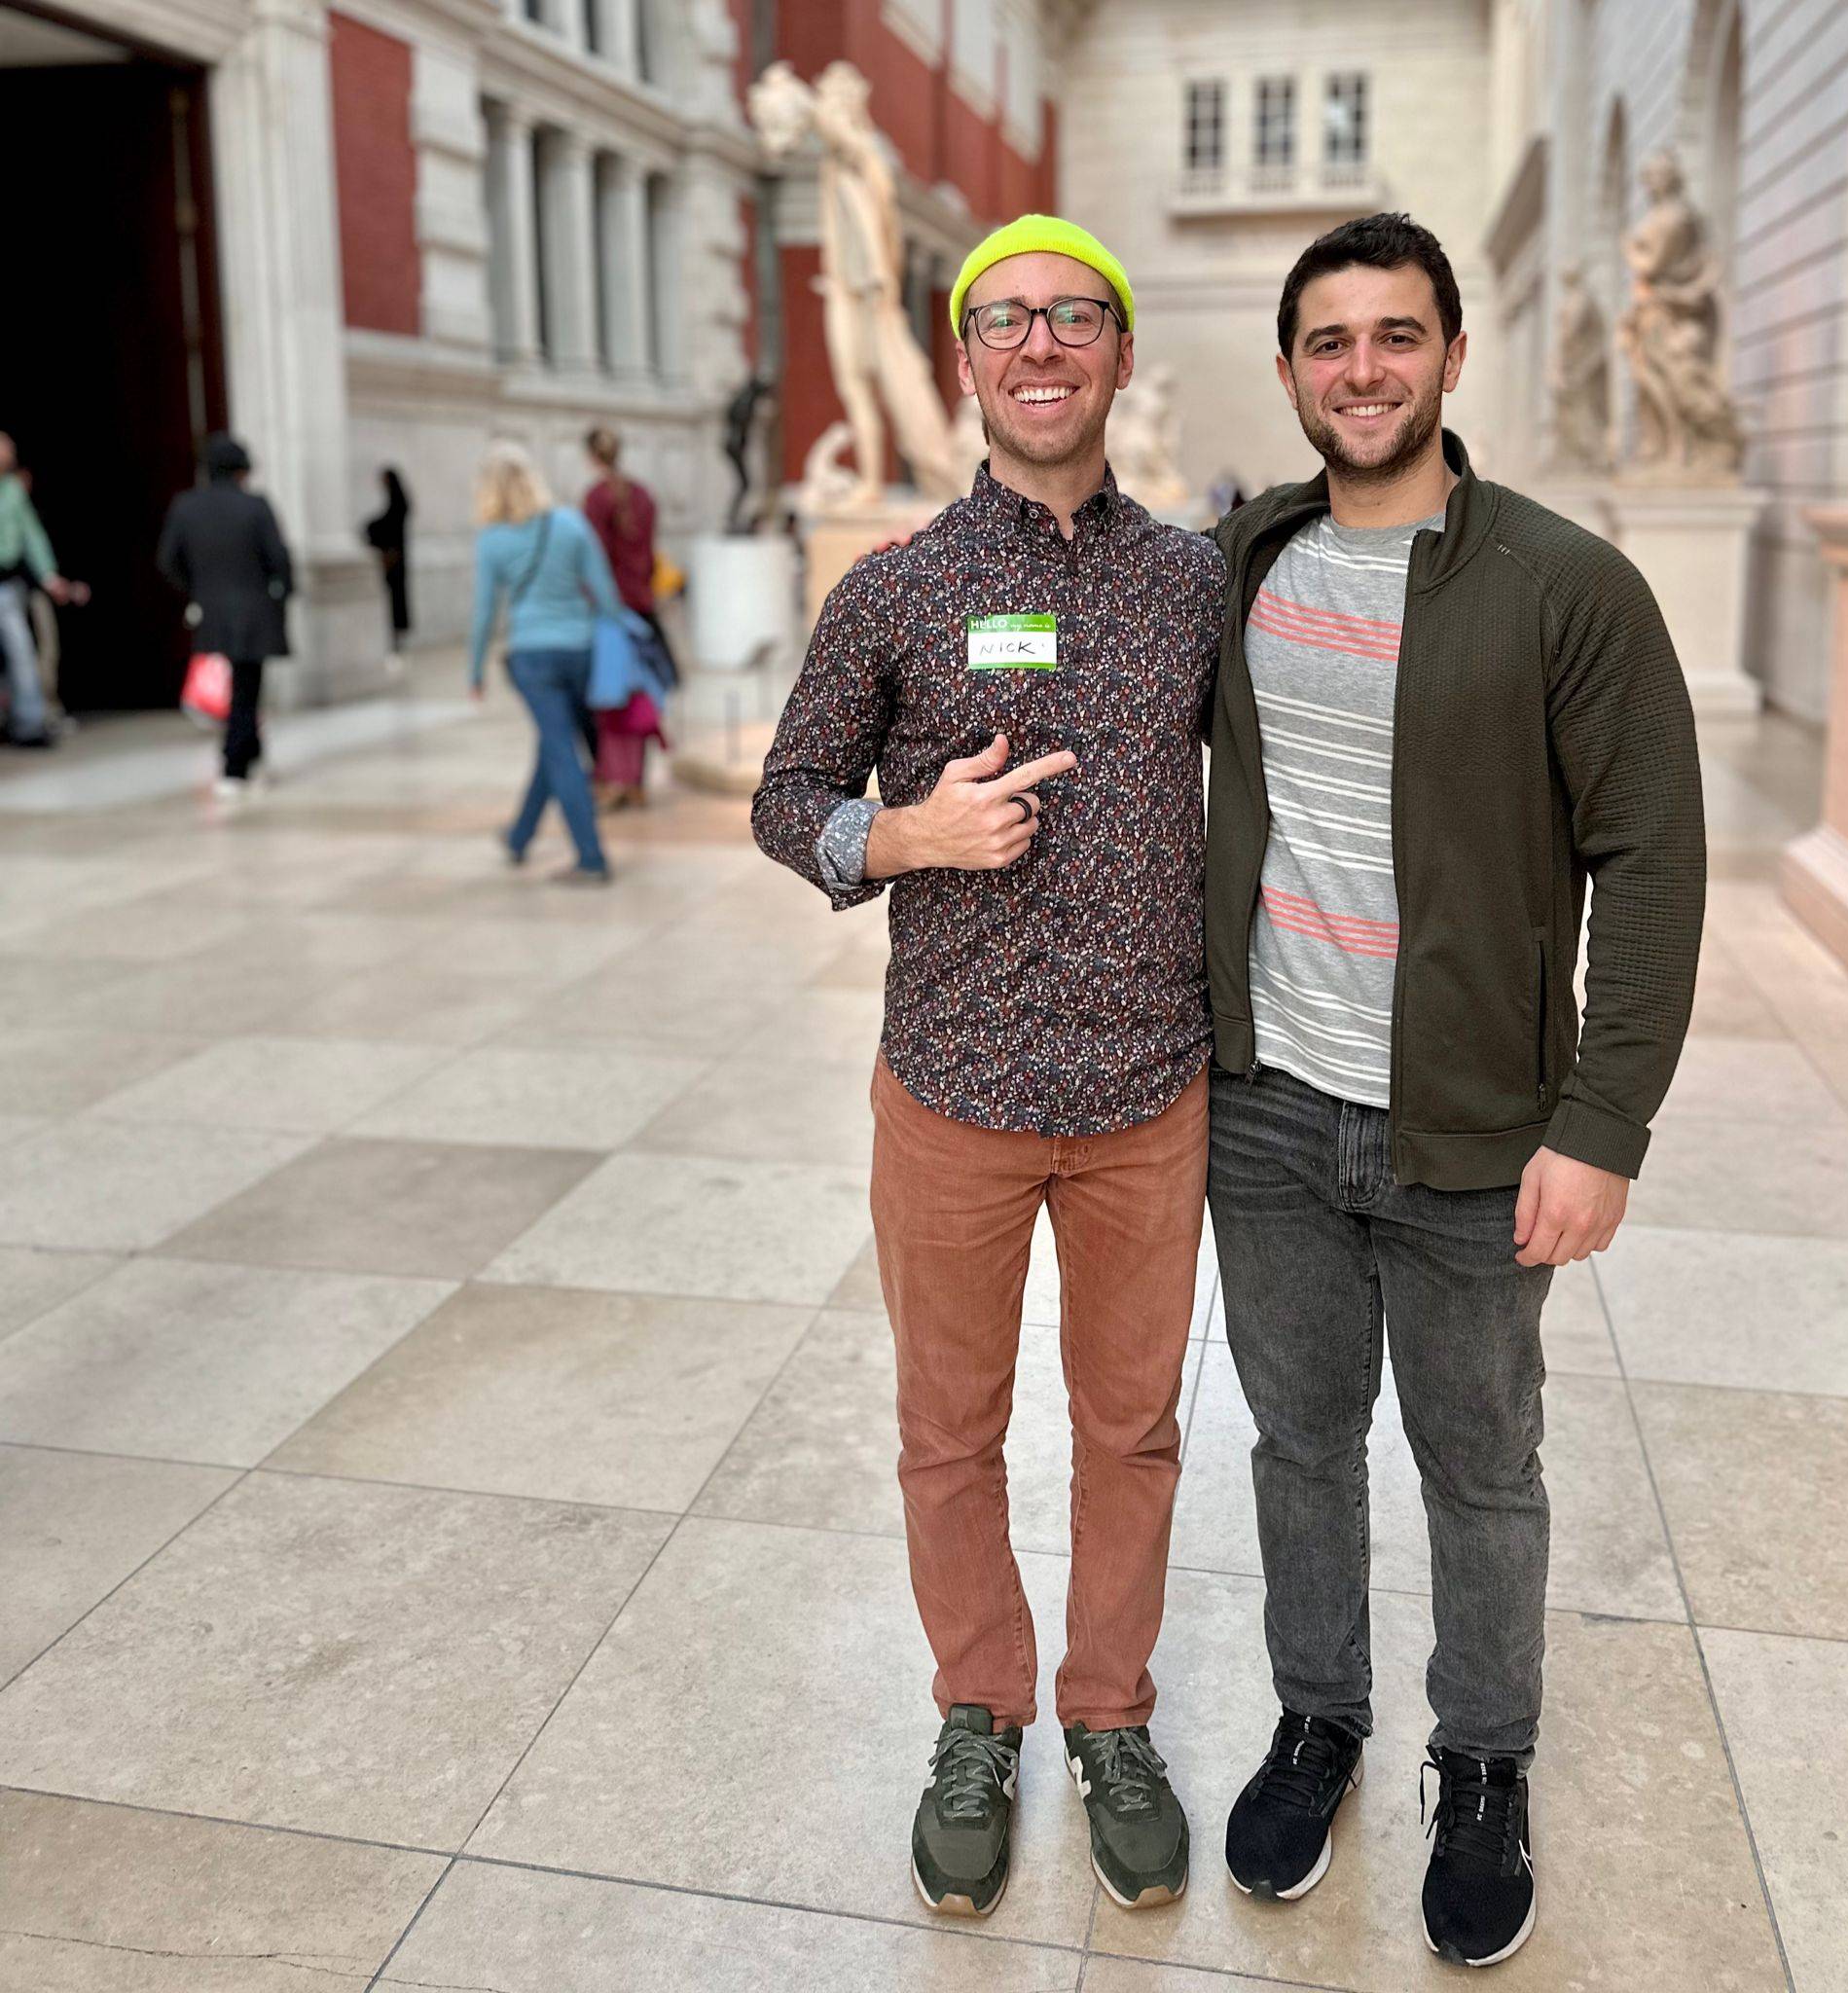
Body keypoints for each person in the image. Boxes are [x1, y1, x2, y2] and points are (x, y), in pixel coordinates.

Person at [1203, 213, 1704, 1968]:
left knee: (1479, 1464)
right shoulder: (1244, 559)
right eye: (1327, 342)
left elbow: (1649, 858)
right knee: (1294, 1441)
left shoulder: (1566, 585)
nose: (1361, 370)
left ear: (1449, 355)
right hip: (1261, 1105)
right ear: (1286, 372)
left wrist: (1600, 1121)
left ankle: (1481, 1760)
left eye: (1392, 336)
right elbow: (1091, 672)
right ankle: (1314, 1715)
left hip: (1477, 1126)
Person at [753, 214, 1224, 1919]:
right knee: (947, 1432)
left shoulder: (1192, 580)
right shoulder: (889, 587)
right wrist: (900, 835)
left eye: (1073, 316)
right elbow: (776, 798)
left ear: (1114, 350)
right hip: (946, 1088)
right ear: (965, 357)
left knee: (1134, 1427)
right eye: (1005, 318)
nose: (1040, 345)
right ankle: (978, 1705)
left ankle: (1106, 1715)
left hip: (1140, 1094)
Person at [469, 440, 615, 884]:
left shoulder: (492, 540)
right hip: (580, 651)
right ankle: (519, 836)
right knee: (554, 742)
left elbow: (482, 614)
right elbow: (606, 594)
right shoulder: (570, 524)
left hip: (532, 656)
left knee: (559, 748)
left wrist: (474, 670)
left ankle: (591, 858)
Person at [158, 434, 293, 800]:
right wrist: (283, 594)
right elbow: (279, 560)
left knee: (240, 690)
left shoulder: (186, 506)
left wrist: (197, 588)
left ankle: (248, 752)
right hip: (255, 610)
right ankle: (235, 763)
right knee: (246, 689)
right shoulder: (255, 506)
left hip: (212, 610)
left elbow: (168, 561)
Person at [580, 426, 669, 809]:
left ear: (592, 457)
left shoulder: (596, 498)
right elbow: (649, 555)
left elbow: (593, 562)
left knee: (611, 699)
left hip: (611, 613)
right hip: (644, 609)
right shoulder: (643, 495)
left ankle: (615, 780)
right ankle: (636, 781)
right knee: (639, 695)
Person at [0, 431, 86, 747]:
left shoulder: (12, 490)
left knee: (23, 652)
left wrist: (49, 575)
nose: (10, 453)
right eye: (5, 448)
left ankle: (29, 723)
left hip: (8, 585)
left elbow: (31, 535)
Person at [363, 466, 413, 653]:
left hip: (395, 558)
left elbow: (389, 525)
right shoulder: (396, 502)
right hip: (393, 557)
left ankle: (398, 634)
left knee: (397, 598)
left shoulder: (398, 504)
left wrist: (370, 527)